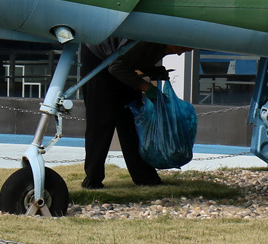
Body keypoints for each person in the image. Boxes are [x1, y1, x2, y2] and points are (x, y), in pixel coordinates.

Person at [80, 40, 189, 189]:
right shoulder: (145, 40)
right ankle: (93, 178)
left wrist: (152, 71)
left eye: (185, 51)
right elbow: (117, 67)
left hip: (119, 66)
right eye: (179, 47)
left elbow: (133, 61)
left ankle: (145, 176)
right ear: (171, 38)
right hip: (99, 63)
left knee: (133, 121)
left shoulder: (159, 45)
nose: (179, 53)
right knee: (100, 122)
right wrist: (147, 87)